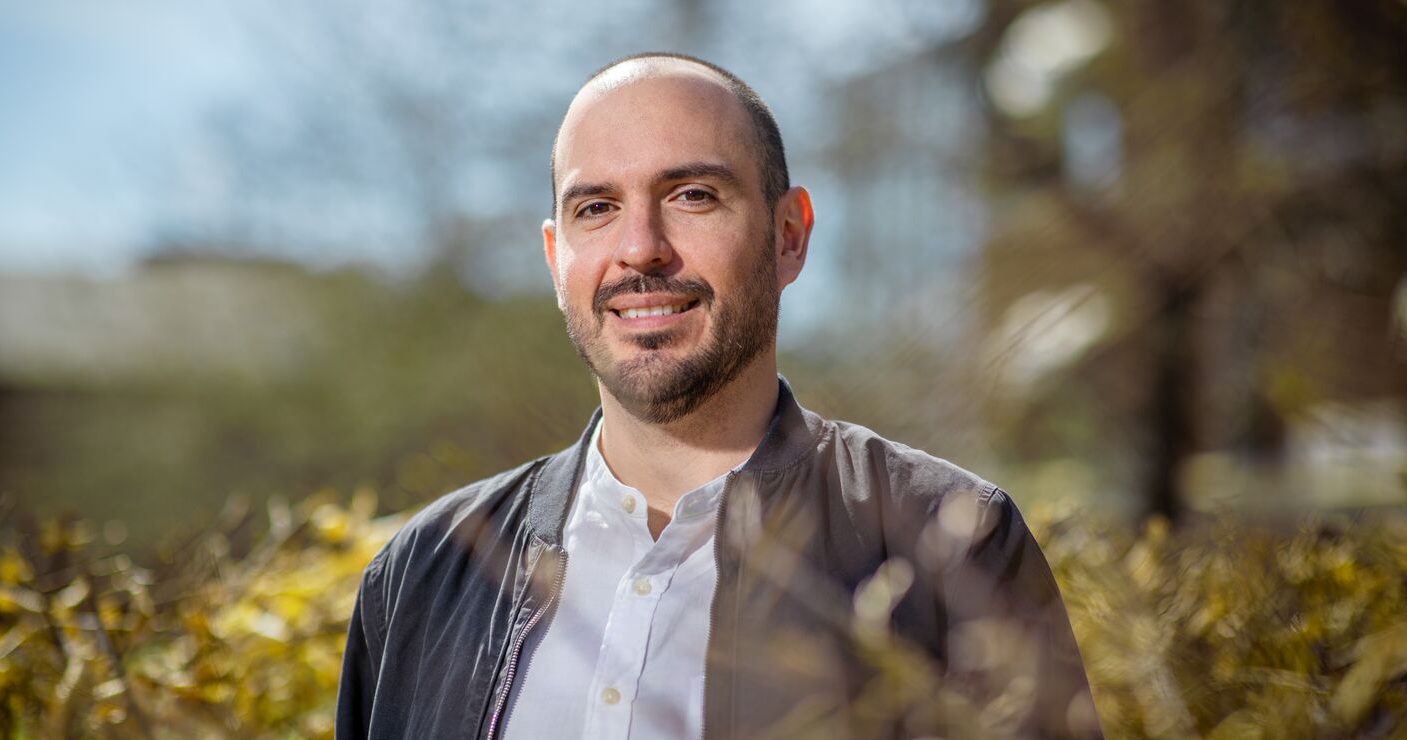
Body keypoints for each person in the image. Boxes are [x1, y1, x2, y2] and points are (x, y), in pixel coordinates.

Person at [336, 52, 1100, 740]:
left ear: (788, 236)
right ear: (554, 255)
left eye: (693, 194)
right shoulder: (424, 573)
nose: (639, 248)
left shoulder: (950, 547)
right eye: (596, 208)